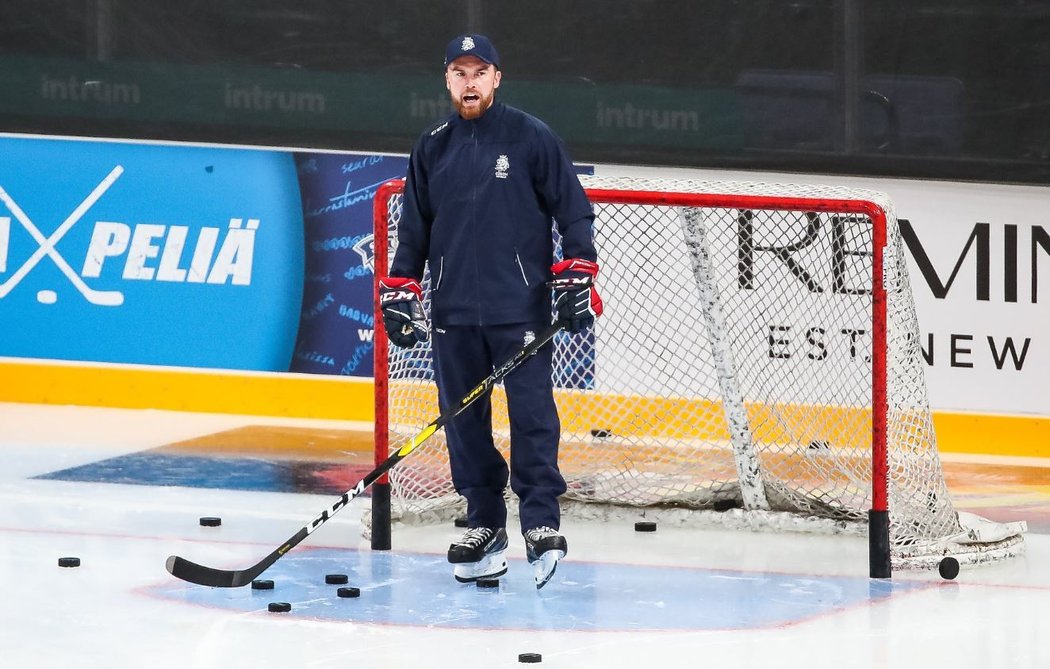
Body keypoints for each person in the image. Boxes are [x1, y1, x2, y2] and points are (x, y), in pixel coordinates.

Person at [379, 33, 602, 589]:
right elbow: (413, 235)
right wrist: (402, 289)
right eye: (459, 72)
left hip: (520, 311)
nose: (470, 82)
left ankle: (541, 522)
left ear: (497, 78)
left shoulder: (530, 137)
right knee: (462, 422)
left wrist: (577, 274)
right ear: (447, 80)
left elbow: (574, 213)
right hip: (453, 314)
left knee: (532, 417)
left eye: (480, 72)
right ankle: (485, 523)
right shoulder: (432, 146)